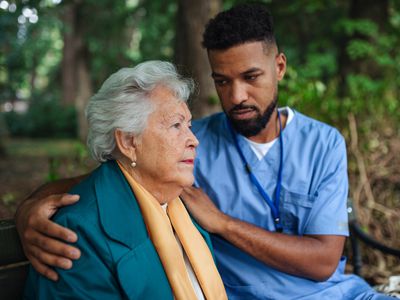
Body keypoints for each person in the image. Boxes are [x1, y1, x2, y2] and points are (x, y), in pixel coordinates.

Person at [16, 4, 393, 300]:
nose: (236, 96)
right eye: (222, 81)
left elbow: (325, 262)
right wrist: (28, 209)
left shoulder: (323, 142)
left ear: (279, 67)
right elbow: (116, 177)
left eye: (251, 77)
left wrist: (221, 223)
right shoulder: (194, 146)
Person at [23, 61, 227, 300]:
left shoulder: (181, 208)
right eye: (176, 125)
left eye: (189, 125)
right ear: (129, 143)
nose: (193, 140)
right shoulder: (77, 232)